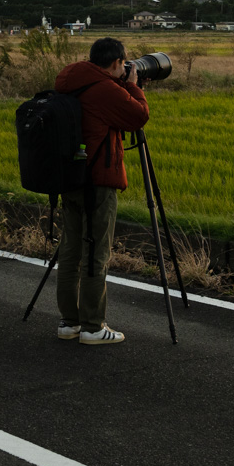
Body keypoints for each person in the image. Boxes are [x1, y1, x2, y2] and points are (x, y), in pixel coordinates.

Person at [50, 37, 149, 345]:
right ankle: (93, 327)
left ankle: (70, 323)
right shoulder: (105, 89)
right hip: (98, 181)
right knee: (96, 253)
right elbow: (138, 116)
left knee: (71, 252)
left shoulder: (71, 81)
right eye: (124, 64)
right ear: (117, 63)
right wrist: (133, 86)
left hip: (70, 179)